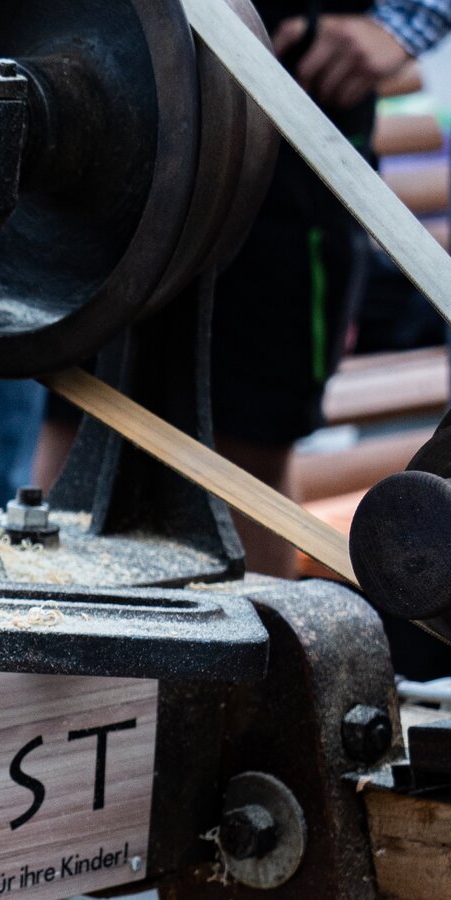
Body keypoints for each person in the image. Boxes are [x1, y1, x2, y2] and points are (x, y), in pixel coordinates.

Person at [36, 1, 451, 578]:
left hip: (287, 111)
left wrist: (403, 24)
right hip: (118, 100)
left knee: (248, 454)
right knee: (81, 425)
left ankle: (262, 638)